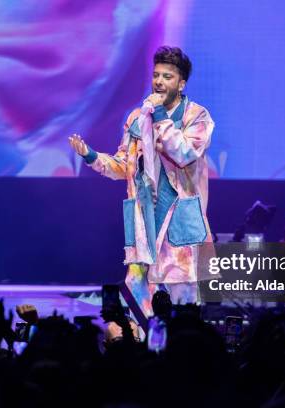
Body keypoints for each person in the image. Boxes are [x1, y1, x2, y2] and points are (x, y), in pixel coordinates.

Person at [69, 46, 214, 315]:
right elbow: (124, 165)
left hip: (179, 219)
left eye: (167, 77)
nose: (159, 82)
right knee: (137, 292)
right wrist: (91, 156)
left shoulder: (197, 117)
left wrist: (160, 116)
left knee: (182, 297)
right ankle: (142, 349)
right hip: (144, 219)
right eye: (156, 75)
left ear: (181, 83)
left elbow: (183, 153)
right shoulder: (138, 118)